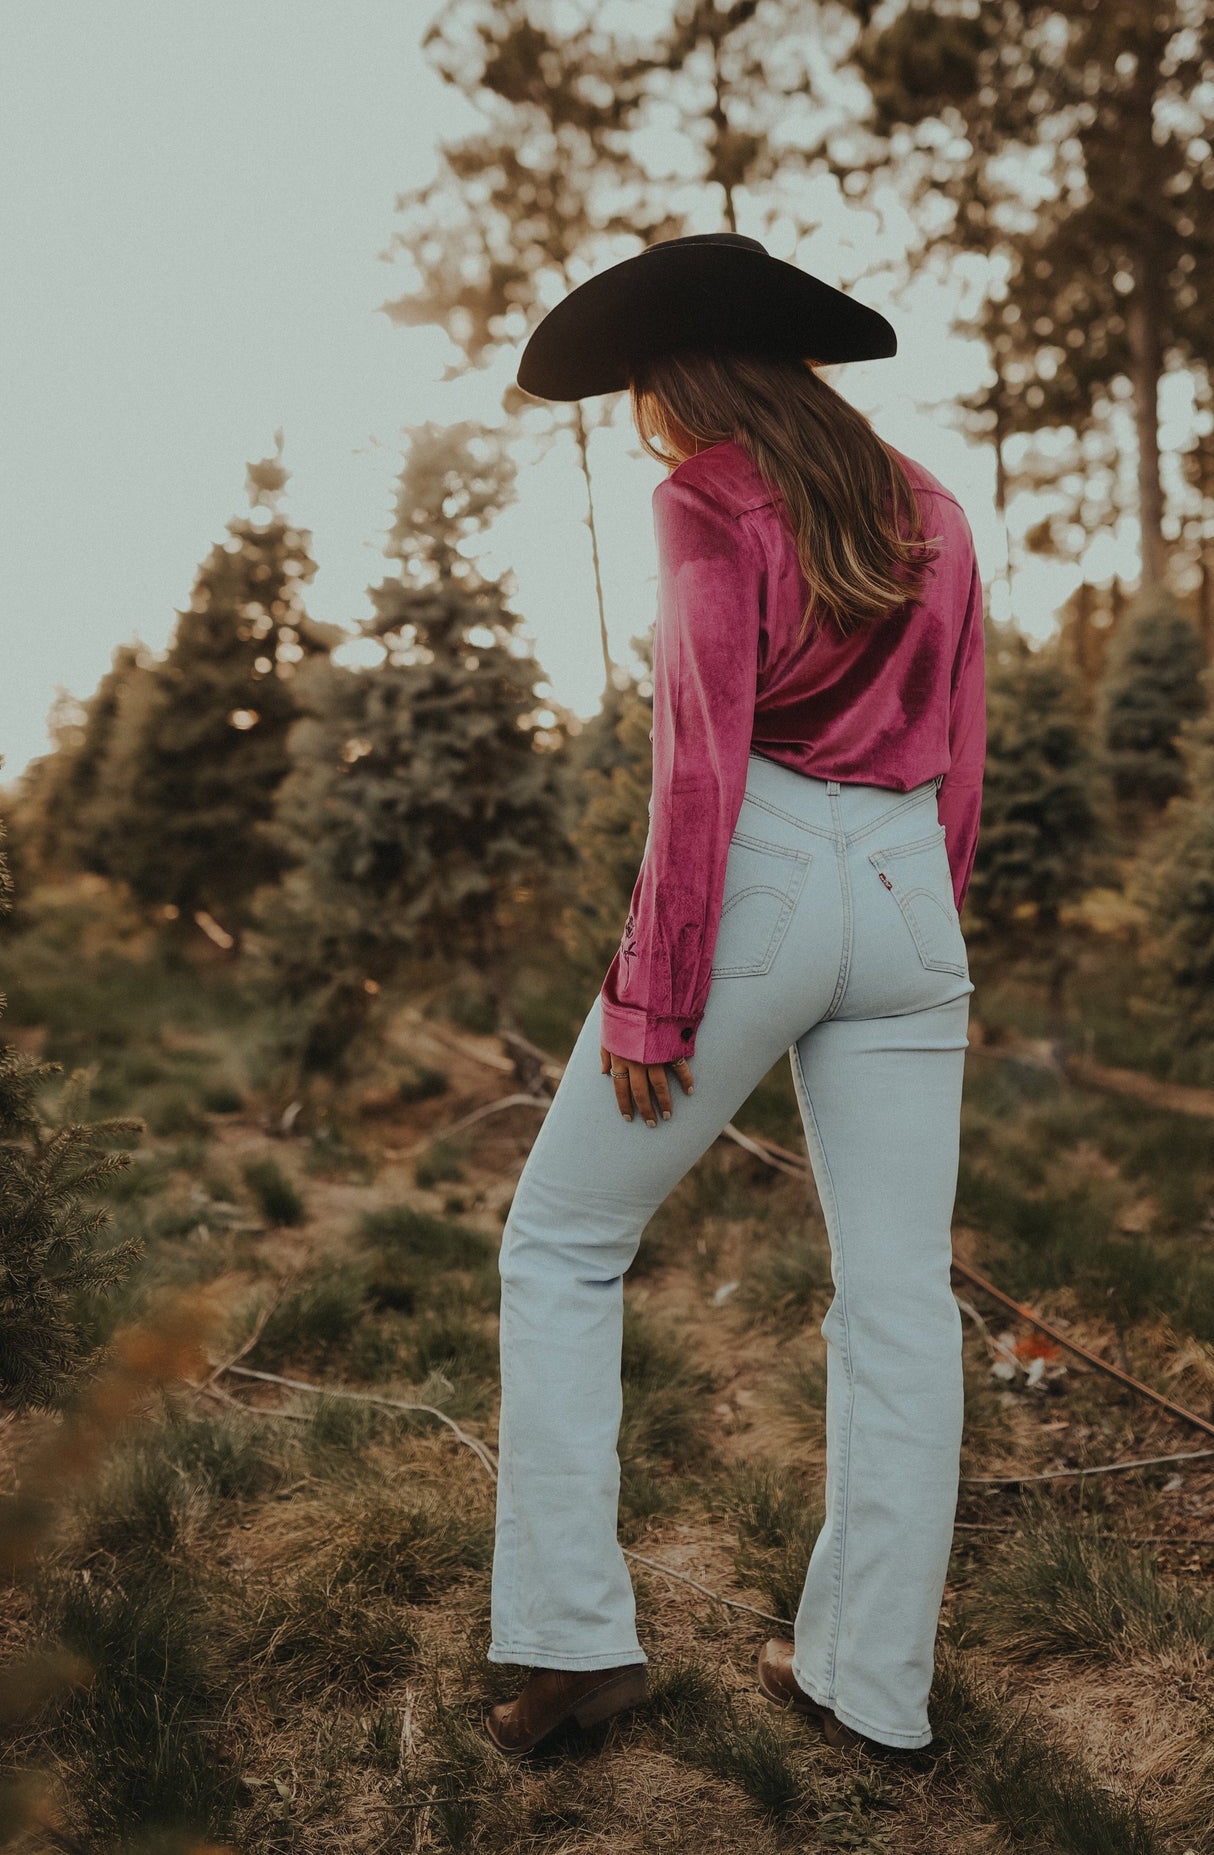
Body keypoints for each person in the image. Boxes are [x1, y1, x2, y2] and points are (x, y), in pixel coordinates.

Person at [483, 232, 986, 1759]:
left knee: (563, 1239)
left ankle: (577, 1643)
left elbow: (697, 760)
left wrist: (654, 994)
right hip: (909, 892)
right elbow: (960, 754)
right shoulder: (937, 509)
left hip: (759, 873)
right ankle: (869, 1684)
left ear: (680, 380)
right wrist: (920, 935)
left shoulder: (703, 499)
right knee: (901, 1299)